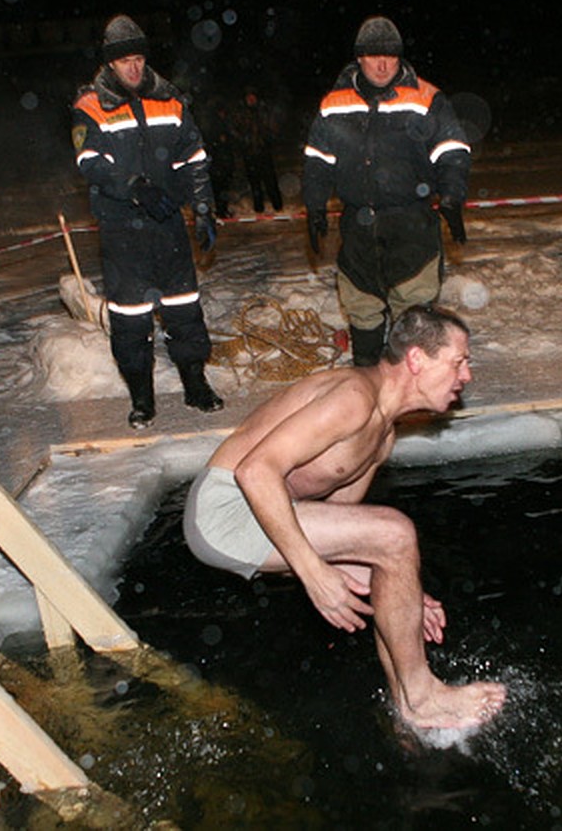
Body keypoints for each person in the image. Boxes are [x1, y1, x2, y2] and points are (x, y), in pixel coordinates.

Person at [183, 305, 506, 730]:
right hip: (225, 509)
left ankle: (407, 711)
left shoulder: (383, 435)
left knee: (391, 557)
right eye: (459, 362)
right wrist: (313, 574)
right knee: (395, 534)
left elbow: (342, 523)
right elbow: (254, 471)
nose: (466, 376)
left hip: (266, 510)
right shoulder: (353, 398)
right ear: (416, 359)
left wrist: (404, 592)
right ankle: (424, 696)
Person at [72, 14, 223, 429]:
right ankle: (142, 398)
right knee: (130, 319)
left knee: (184, 309)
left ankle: (196, 384)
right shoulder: (91, 106)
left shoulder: (170, 101)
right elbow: (90, 162)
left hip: (167, 226)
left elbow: (194, 157)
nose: (134, 69)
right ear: (110, 65)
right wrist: (135, 187)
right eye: (125, 62)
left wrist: (204, 207)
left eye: (139, 59)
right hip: (123, 232)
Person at [302, 16, 471, 367]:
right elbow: (318, 160)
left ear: (400, 58)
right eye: (373, 56)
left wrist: (452, 195)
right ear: (359, 58)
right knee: (362, 307)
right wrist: (314, 205)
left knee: (414, 317)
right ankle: (367, 384)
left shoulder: (425, 98)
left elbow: (452, 149)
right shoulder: (335, 103)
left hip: (412, 226)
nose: (382, 64)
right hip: (359, 229)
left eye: (390, 56)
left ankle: (412, 394)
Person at [232, 87, 283, 214]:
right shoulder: (241, 112)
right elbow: (235, 129)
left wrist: (267, 139)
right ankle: (259, 207)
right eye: (248, 97)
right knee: (254, 182)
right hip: (249, 152)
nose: (250, 99)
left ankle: (277, 205)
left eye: (252, 97)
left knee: (270, 179)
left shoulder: (263, 111)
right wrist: (244, 141)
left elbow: (273, 127)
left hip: (263, 150)